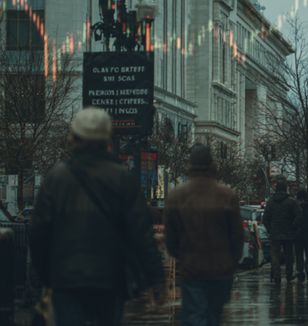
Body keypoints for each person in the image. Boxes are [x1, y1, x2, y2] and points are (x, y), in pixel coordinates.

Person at [30, 107, 164, 325]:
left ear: (73, 138)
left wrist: (47, 276)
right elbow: (140, 234)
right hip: (110, 280)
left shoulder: (56, 178)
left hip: (66, 280)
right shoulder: (123, 179)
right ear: (105, 139)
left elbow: (38, 234)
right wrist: (155, 278)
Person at [163, 143, 244, 325]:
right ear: (213, 167)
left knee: (195, 315)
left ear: (189, 167)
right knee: (214, 315)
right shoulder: (227, 195)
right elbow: (237, 235)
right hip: (221, 269)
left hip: (192, 268)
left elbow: (170, 237)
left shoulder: (176, 196)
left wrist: (183, 257)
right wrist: (231, 262)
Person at [264, 183, 303, 285]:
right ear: (286, 189)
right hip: (289, 232)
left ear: (276, 189)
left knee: (274, 254)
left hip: (275, 233)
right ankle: (289, 274)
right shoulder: (291, 201)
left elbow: (265, 219)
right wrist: (294, 228)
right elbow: (299, 216)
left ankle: (276, 275)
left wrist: (270, 230)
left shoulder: (270, 202)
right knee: (288, 254)